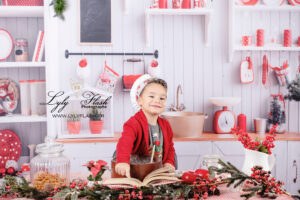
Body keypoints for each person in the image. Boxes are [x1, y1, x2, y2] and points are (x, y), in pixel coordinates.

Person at [115, 77, 176, 177]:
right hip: (138, 172)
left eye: (162, 98)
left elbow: (170, 148)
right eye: (151, 96)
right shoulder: (133, 123)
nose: (157, 100)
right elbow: (125, 143)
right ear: (140, 101)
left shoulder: (166, 125)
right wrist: (122, 161)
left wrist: (169, 162)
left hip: (157, 172)